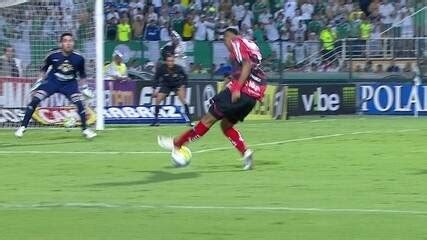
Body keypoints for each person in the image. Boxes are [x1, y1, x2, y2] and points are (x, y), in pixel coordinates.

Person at [158, 28, 267, 170]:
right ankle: (246, 152)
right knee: (226, 126)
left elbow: (246, 64)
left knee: (207, 120)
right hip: (252, 96)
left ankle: (177, 143)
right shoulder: (251, 45)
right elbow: (251, 68)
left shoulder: (236, 42)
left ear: (228, 37)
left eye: (224, 41)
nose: (226, 45)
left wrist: (235, 88)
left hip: (241, 91)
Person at [15, 33, 96, 139]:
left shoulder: (79, 58)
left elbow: (82, 75)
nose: (68, 43)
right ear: (61, 43)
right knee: (35, 100)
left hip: (70, 84)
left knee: (80, 104)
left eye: (70, 41)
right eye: (65, 41)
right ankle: (22, 127)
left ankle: (85, 129)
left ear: (74, 43)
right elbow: (44, 69)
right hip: (52, 81)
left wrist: (85, 87)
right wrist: (39, 81)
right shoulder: (52, 55)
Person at [151, 54, 190, 127]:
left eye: (172, 61)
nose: (170, 63)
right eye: (169, 61)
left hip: (177, 84)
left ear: (174, 61)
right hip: (166, 85)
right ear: (166, 62)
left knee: (183, 99)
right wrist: (154, 89)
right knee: (158, 99)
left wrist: (184, 86)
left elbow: (185, 76)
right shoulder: (161, 68)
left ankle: (189, 120)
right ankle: (156, 120)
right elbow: (156, 78)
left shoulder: (178, 68)